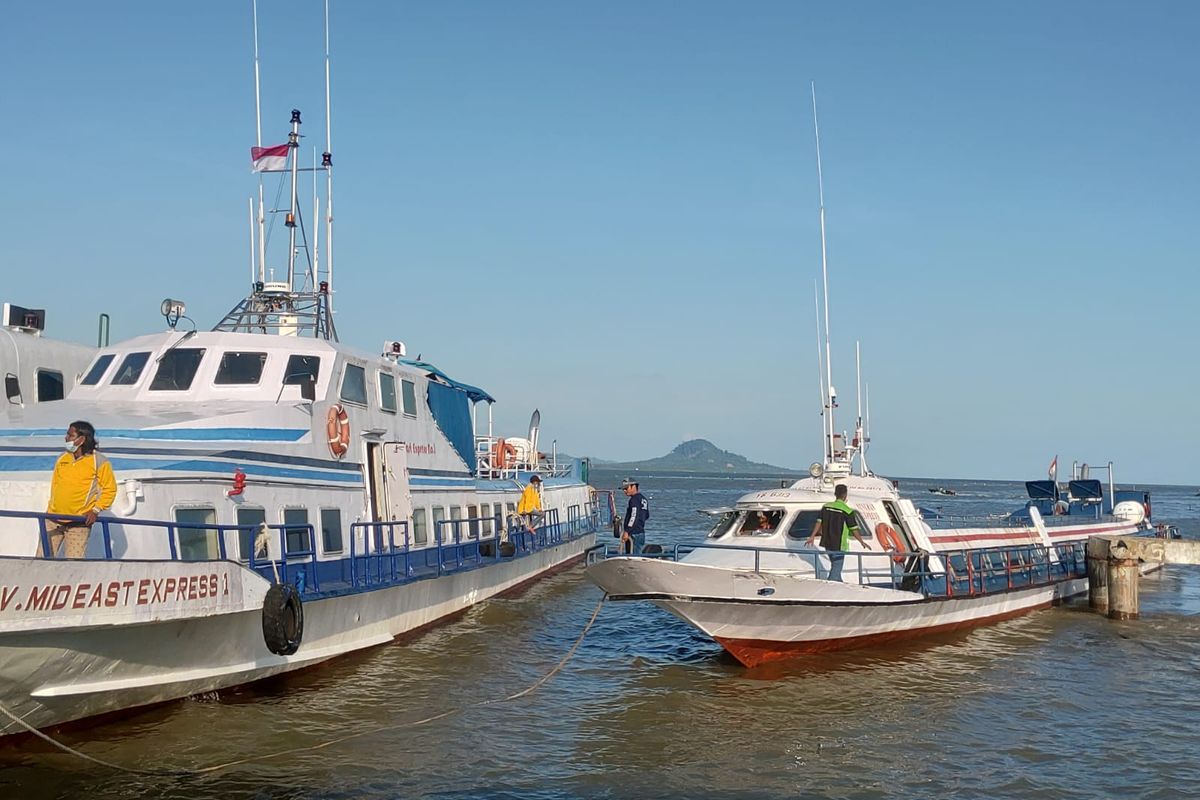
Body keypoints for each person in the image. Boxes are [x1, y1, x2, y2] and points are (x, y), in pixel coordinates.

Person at [45, 421, 117, 559]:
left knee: (74, 563)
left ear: (82, 439)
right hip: (53, 519)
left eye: (70, 435)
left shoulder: (99, 461)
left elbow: (110, 489)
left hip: (78, 523)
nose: (66, 438)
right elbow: (55, 485)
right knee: (42, 560)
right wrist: (50, 509)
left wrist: (96, 510)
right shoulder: (62, 458)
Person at [805, 483, 867, 582]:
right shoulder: (848, 511)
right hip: (839, 544)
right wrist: (861, 541)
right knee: (836, 568)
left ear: (835, 494)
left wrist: (812, 536)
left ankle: (841, 586)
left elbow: (818, 522)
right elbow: (853, 529)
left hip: (827, 542)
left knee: (835, 566)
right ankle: (829, 589)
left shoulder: (826, 507)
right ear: (845, 495)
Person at [619, 478, 649, 554]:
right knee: (638, 553)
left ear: (634, 486)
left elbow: (634, 516)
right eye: (623, 489)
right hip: (641, 532)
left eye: (626, 488)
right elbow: (647, 515)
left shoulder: (634, 500)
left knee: (633, 556)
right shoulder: (643, 499)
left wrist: (627, 531)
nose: (625, 491)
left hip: (634, 534)